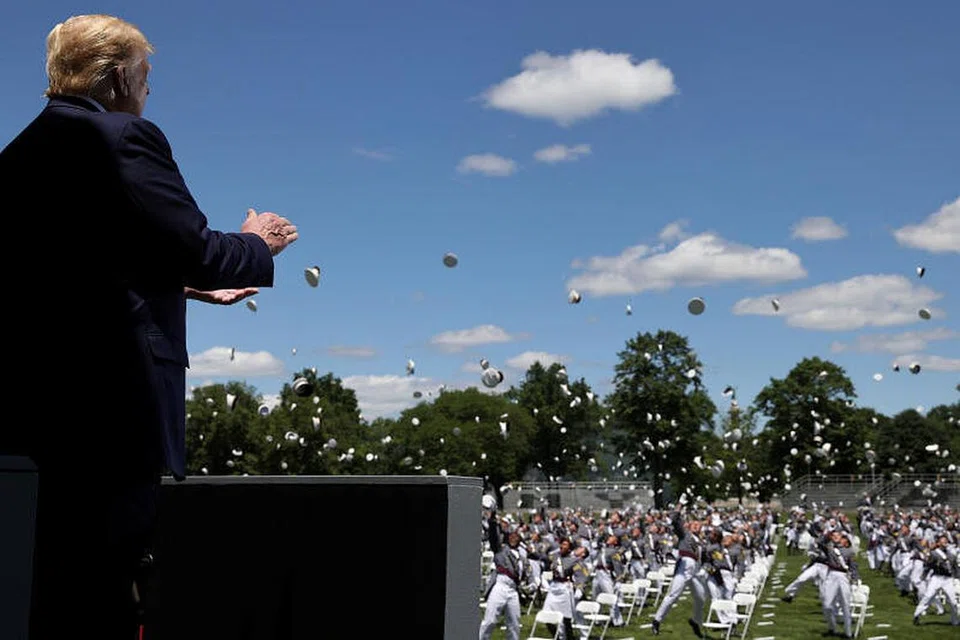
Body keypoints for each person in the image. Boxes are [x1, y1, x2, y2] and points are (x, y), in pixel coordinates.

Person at [0, 14, 298, 638]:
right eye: (147, 75)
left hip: (36, 409)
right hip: (115, 409)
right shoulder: (122, 139)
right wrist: (258, 241)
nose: (148, 89)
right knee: (106, 590)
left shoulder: (20, 152)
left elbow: (68, 270)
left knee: (49, 589)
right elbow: (196, 246)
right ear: (119, 77)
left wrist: (177, 287)